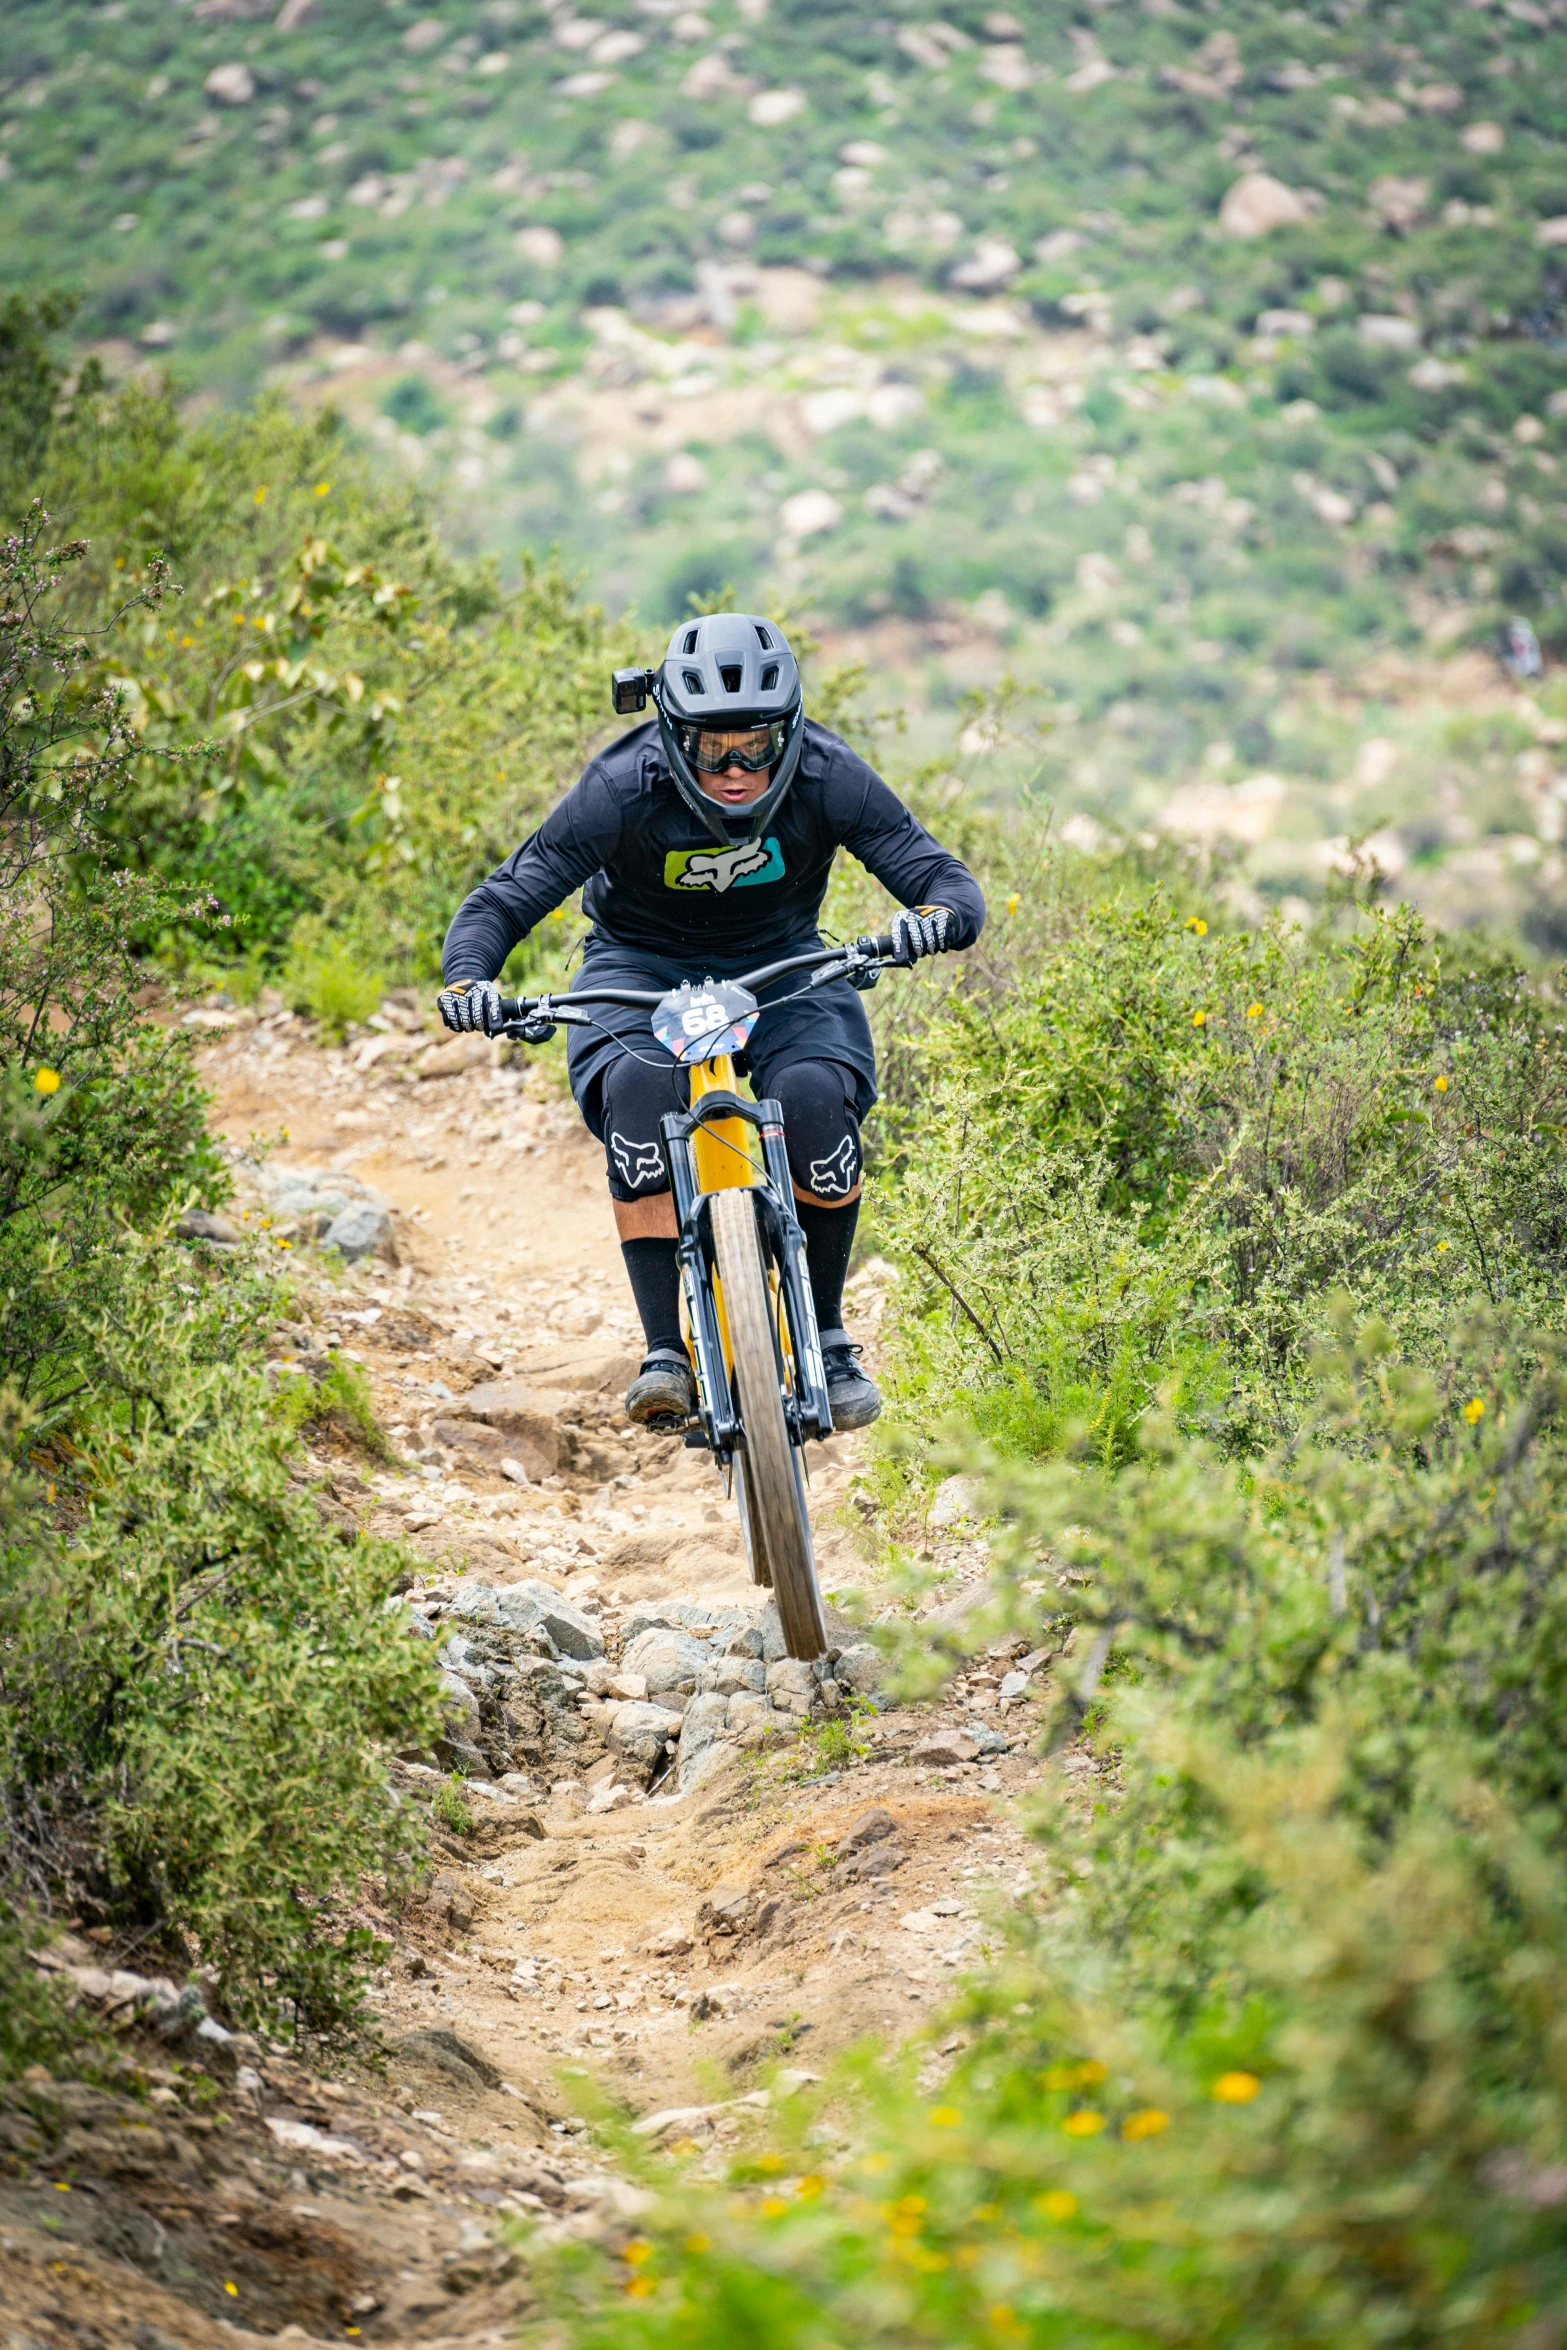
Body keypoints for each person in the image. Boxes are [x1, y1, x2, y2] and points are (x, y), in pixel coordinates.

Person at [437, 611, 984, 1431]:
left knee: (813, 1101)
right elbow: (508, 894)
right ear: (670, 732)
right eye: (708, 747)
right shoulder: (622, 786)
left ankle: (829, 1340)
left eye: (755, 746)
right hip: (638, 967)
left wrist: (933, 917)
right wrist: (469, 977)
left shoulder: (829, 775)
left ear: (789, 731)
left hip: (784, 965)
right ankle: (666, 1352)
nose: (733, 768)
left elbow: (941, 875)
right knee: (636, 1090)